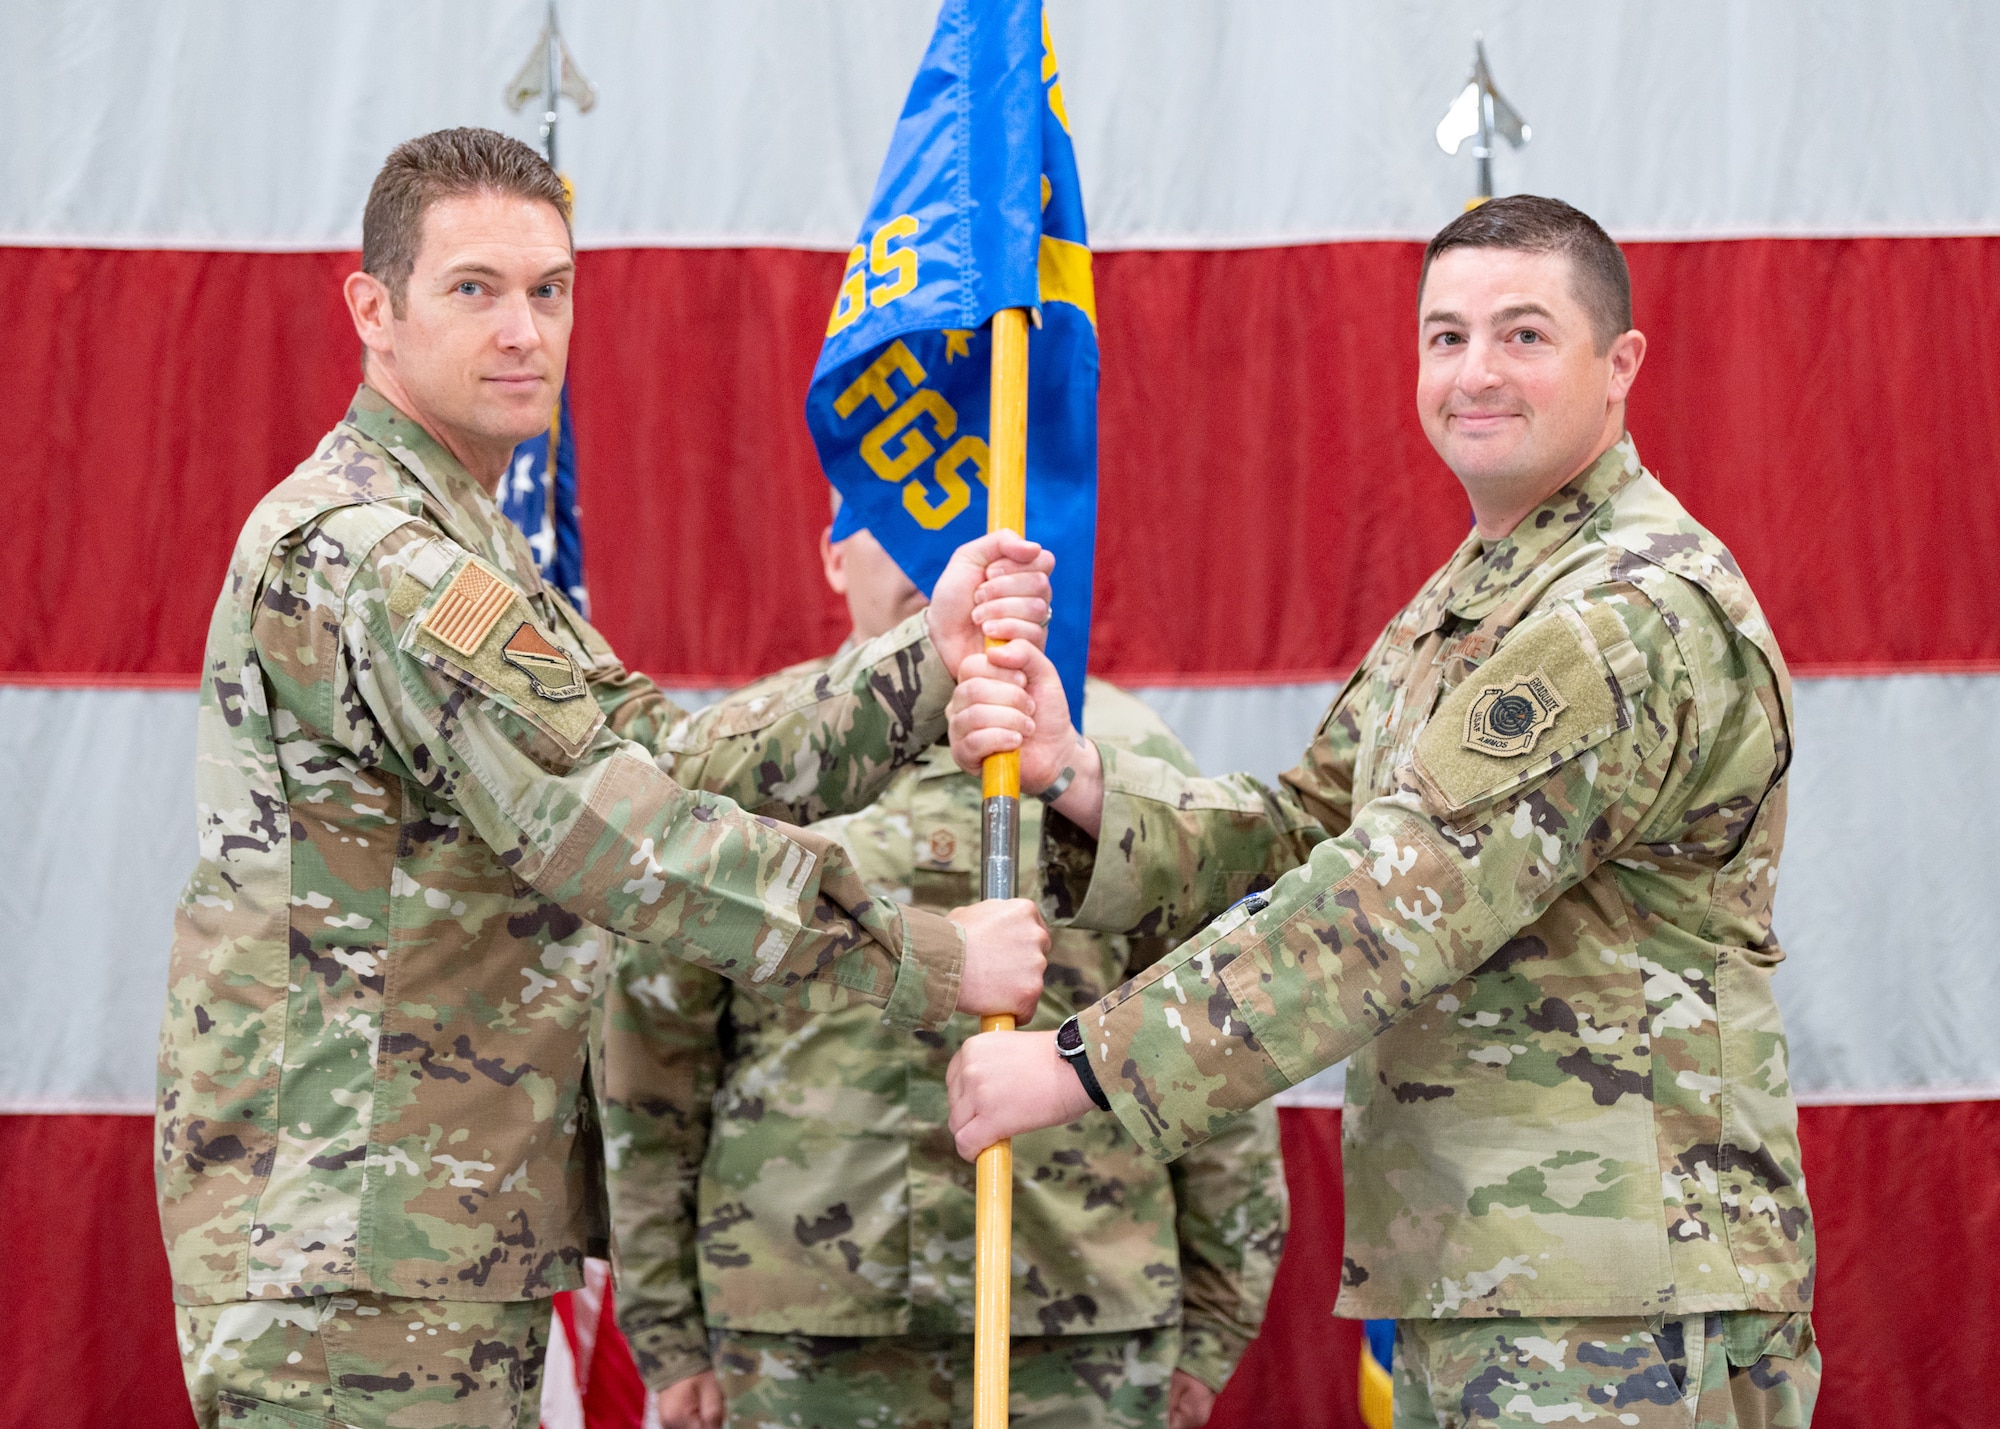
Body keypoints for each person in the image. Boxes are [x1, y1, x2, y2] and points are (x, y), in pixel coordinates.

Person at [158, 127, 1053, 1429]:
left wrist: (919, 658)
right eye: (475, 287)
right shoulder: (379, 559)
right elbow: (620, 840)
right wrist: (926, 955)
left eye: (550, 288)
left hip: (418, 1228)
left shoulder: (463, 543)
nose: (524, 329)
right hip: (352, 1252)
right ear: (374, 308)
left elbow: (665, 758)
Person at [944, 196, 1819, 1428]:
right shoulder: (1477, 593)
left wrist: (1080, 1065)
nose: (1475, 374)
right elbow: (1312, 831)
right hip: (1501, 1270)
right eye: (1444, 336)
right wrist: (1072, 773)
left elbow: (1388, 906)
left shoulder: (1618, 614)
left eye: (1523, 334)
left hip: (1618, 1292)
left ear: (1618, 364)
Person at [601, 513, 1289, 1429]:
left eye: (969, 520)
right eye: (895, 517)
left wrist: (1212, 1323)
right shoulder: (747, 767)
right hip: (801, 1334)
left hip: (1080, 1329)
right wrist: (668, 1334)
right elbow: (653, 1069)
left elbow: (1214, 1035)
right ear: (831, 553)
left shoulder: (1116, 759)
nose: (939, 554)